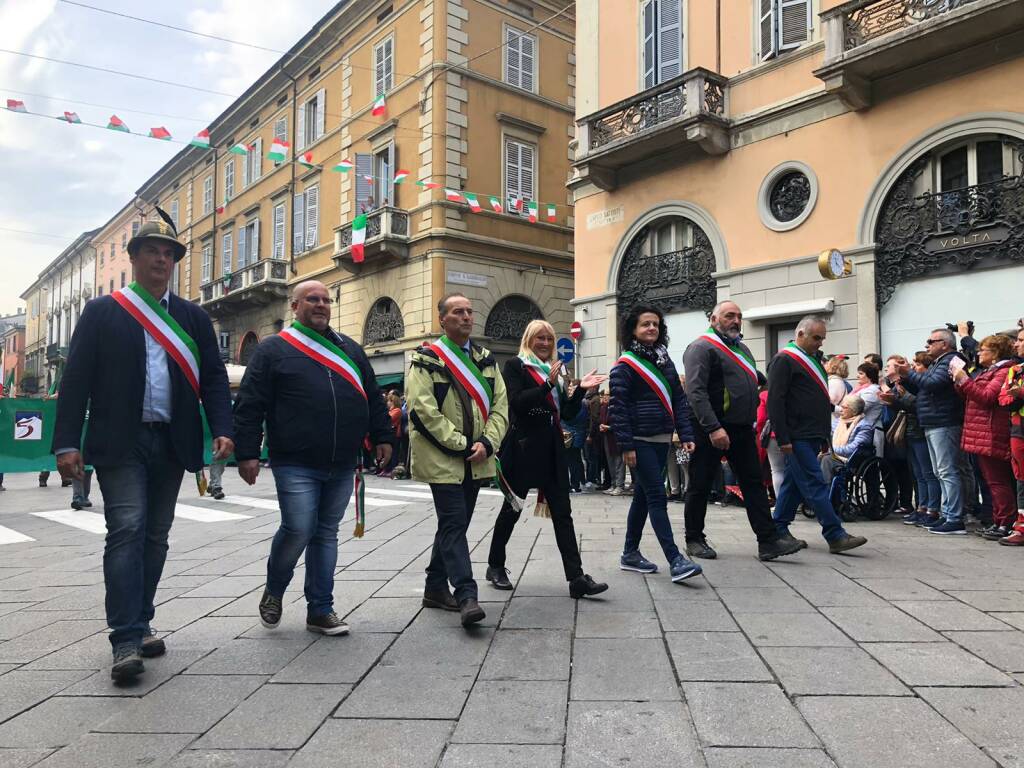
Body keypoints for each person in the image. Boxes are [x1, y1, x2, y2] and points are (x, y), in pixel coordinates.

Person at [51, 217, 233, 683]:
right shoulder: (102, 311)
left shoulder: (192, 317)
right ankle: (126, 638)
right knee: (127, 529)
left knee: (156, 536)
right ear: (133, 258)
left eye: (169, 253)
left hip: (172, 440)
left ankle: (142, 617)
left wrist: (223, 428)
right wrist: (67, 441)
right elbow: (77, 380)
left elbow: (212, 377)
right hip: (121, 440)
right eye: (152, 251)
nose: (161, 259)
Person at [234, 281, 394, 636]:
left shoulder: (350, 349)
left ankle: (320, 609)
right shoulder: (274, 349)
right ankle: (275, 588)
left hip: (342, 461)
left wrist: (383, 436)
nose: (321, 304)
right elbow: (250, 402)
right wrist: (246, 452)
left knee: (325, 534)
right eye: (312, 299)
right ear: (295, 306)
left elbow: (372, 396)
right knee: (299, 528)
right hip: (295, 460)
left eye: (325, 299)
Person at [406, 293, 509, 627]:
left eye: (469, 311)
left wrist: (487, 443)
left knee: (455, 524)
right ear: (443, 320)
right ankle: (466, 594)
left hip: (476, 457)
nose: (466, 317)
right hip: (443, 459)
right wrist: (463, 444)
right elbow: (423, 410)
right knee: (453, 523)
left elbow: (500, 408)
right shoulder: (426, 359)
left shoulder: (486, 360)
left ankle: (435, 587)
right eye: (457, 312)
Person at [485, 320, 608, 598]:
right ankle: (495, 565)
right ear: (529, 339)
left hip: (552, 449)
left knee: (563, 514)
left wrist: (580, 391)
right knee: (512, 510)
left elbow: (565, 412)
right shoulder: (516, 366)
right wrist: (546, 384)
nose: (545, 344)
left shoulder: (559, 370)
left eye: (549, 339)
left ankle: (576, 578)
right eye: (539, 338)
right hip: (523, 447)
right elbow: (517, 403)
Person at [682, 301, 802, 561]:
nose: (735, 320)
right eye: (729, 316)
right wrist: (713, 427)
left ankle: (768, 541)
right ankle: (694, 538)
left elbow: (751, 377)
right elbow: (695, 391)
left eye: (738, 316)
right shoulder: (701, 347)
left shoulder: (742, 349)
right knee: (700, 484)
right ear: (714, 319)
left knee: (753, 484)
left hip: (741, 428)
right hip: (711, 429)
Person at [610, 304, 702, 582]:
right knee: (656, 496)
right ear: (633, 330)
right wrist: (626, 446)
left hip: (663, 439)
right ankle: (675, 559)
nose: (652, 328)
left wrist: (686, 434)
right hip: (640, 440)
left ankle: (629, 553)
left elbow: (679, 399)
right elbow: (618, 408)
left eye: (656, 324)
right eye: (645, 324)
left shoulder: (665, 360)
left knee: (642, 497)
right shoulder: (625, 365)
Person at [768, 315, 866, 553]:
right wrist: (783, 438)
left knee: (792, 484)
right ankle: (835, 534)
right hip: (796, 435)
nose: (820, 342)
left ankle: (778, 529)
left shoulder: (810, 360)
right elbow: (775, 402)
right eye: (816, 337)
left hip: (810, 434)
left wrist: (822, 435)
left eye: (822, 338)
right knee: (815, 482)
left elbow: (816, 400)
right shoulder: (784, 360)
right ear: (800, 334)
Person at [893, 329, 967, 534]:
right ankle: (946, 514)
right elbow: (924, 389)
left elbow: (933, 384)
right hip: (934, 421)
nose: (927, 345)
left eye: (930, 341)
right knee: (939, 471)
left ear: (944, 343)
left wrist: (910, 374)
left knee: (946, 471)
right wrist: (906, 379)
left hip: (944, 421)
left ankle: (954, 518)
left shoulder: (951, 360)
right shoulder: (938, 362)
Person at [952, 334, 1015, 539]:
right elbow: (972, 395)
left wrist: (964, 380)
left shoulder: (1003, 372)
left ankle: (1005, 523)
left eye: (983, 350)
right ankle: (999, 521)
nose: (979, 353)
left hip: (991, 432)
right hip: (982, 432)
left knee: (998, 481)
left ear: (995, 353)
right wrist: (959, 382)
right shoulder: (992, 371)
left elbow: (987, 398)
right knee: (992, 480)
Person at [883, 352, 941, 526]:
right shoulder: (907, 382)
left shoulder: (920, 383)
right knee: (918, 473)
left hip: (919, 430)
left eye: (917, 364)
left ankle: (932, 509)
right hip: (910, 430)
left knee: (928, 472)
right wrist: (893, 400)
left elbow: (918, 405)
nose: (914, 367)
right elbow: (907, 405)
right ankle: (922, 507)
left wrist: (901, 395)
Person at [998, 327, 1024, 546]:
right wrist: (1015, 398)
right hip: (1018, 431)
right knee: (1021, 478)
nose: (1016, 344)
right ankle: (1021, 527)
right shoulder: (1015, 370)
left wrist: (1021, 394)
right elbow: (1003, 399)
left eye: (1021, 340)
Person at [820, 395, 875, 486]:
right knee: (816, 457)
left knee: (826, 460)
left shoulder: (864, 426)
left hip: (852, 460)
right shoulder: (839, 421)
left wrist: (833, 450)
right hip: (835, 456)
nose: (841, 409)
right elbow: (828, 434)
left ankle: (825, 491)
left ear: (854, 411)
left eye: (844, 407)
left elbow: (854, 449)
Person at [826, 356, 850, 431]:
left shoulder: (833, 382)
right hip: (836, 422)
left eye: (828, 363)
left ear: (833, 366)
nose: (825, 365)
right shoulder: (837, 381)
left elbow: (828, 403)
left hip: (834, 423)